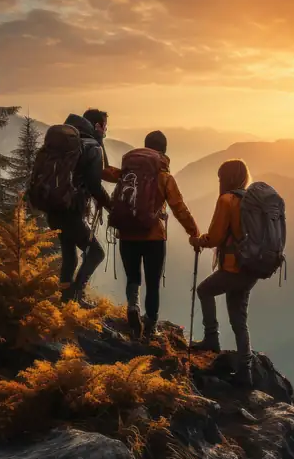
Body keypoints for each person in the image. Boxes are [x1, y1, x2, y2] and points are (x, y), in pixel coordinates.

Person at [109, 131, 199, 339]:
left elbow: (109, 176)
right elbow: (179, 207)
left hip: (127, 233)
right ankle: (150, 326)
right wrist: (194, 232)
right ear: (164, 151)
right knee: (152, 282)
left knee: (133, 277)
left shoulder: (128, 172)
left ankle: (133, 306)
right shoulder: (164, 176)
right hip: (153, 236)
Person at [190, 159, 258, 387]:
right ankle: (245, 372)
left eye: (220, 178)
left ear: (226, 179)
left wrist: (200, 241)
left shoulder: (228, 200)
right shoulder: (253, 200)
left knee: (204, 290)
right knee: (239, 319)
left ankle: (211, 338)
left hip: (233, 267)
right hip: (252, 268)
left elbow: (217, 236)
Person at [47, 109, 114, 302]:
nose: (106, 131)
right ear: (97, 126)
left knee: (70, 257)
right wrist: (112, 208)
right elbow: (95, 185)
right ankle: (76, 295)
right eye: (105, 127)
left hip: (53, 207)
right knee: (96, 253)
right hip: (71, 211)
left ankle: (65, 301)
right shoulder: (92, 147)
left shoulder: (65, 145)